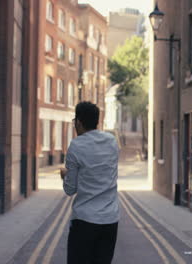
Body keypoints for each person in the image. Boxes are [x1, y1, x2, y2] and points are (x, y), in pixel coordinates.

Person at [60, 101, 120, 264]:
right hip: (110, 220)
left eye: (74, 122)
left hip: (84, 221)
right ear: (97, 121)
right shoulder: (112, 142)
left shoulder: (76, 146)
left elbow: (70, 189)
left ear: (78, 122)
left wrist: (65, 175)